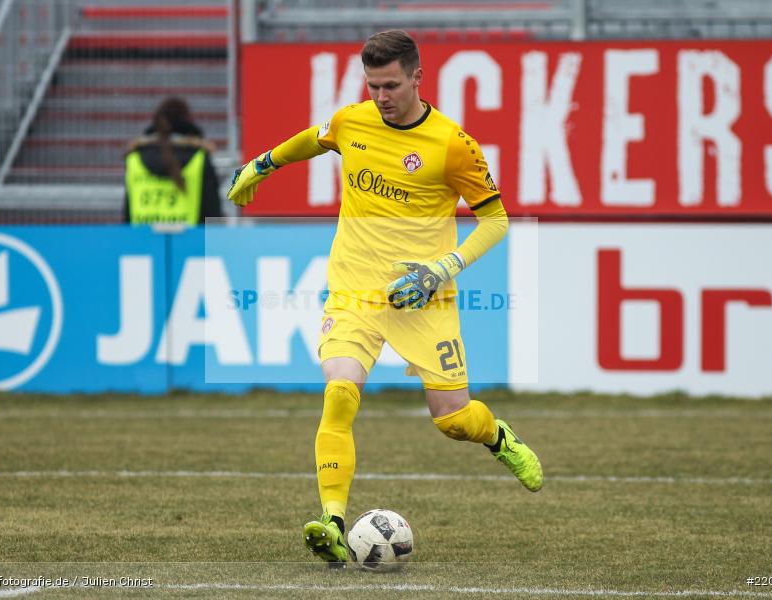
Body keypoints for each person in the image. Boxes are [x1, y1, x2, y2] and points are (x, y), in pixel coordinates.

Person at [228, 30, 542, 566]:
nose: (381, 96)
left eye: (391, 85)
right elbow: (315, 137)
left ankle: (498, 436)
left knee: (452, 420)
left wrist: (444, 268)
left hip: (424, 298)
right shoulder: (354, 121)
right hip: (354, 289)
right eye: (373, 85)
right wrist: (263, 164)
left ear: (418, 77)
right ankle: (330, 520)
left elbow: (496, 220)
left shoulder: (452, 144)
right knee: (340, 391)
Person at [124, 97, 221, 225]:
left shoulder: (134, 158)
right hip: (188, 242)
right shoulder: (199, 159)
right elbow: (212, 213)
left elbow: (127, 216)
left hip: (142, 243)